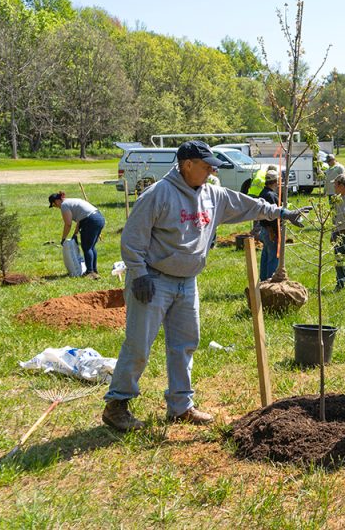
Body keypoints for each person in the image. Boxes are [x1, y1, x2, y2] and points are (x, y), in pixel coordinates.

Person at [103, 141, 310, 431]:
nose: (213, 169)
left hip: (187, 282)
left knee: (185, 344)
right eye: (207, 165)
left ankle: (180, 405)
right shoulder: (158, 194)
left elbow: (248, 205)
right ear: (187, 164)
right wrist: (138, 274)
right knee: (139, 344)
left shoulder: (213, 194)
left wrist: (281, 213)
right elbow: (132, 239)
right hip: (153, 280)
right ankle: (117, 405)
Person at [48, 191, 106, 279]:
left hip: (90, 221)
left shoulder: (64, 205)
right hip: (99, 218)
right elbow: (79, 220)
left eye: (54, 205)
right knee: (91, 247)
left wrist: (63, 238)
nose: (57, 207)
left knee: (87, 247)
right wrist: (75, 234)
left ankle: (90, 272)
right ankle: (94, 270)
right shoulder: (72, 201)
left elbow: (68, 224)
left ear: (56, 201)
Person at [258, 169, 281, 281]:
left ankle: (263, 280)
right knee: (273, 257)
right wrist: (276, 233)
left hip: (264, 230)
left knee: (266, 255)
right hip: (270, 231)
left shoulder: (263, 193)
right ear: (275, 181)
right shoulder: (271, 196)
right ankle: (270, 281)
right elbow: (273, 217)